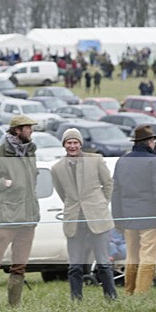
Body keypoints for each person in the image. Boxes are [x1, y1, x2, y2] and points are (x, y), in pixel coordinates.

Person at [0, 115, 40, 311]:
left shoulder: (30, 152)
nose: (31, 131)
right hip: (6, 218)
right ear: (17, 130)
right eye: (28, 128)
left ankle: (14, 306)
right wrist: (3, 183)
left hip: (28, 218)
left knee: (20, 265)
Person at [51, 128, 117, 301]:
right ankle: (76, 299)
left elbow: (108, 184)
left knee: (103, 262)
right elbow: (62, 193)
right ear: (64, 145)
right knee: (75, 265)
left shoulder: (96, 160)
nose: (72, 146)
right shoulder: (56, 168)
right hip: (74, 221)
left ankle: (111, 297)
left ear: (80, 144)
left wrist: (102, 203)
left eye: (75, 142)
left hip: (97, 218)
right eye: (69, 142)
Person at [111, 125, 156, 295]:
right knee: (148, 257)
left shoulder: (122, 161)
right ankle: (140, 295)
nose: (154, 143)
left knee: (132, 257)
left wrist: (117, 219)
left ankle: (129, 291)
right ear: (148, 142)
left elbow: (115, 193)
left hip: (128, 217)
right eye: (153, 140)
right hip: (150, 217)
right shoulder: (154, 161)